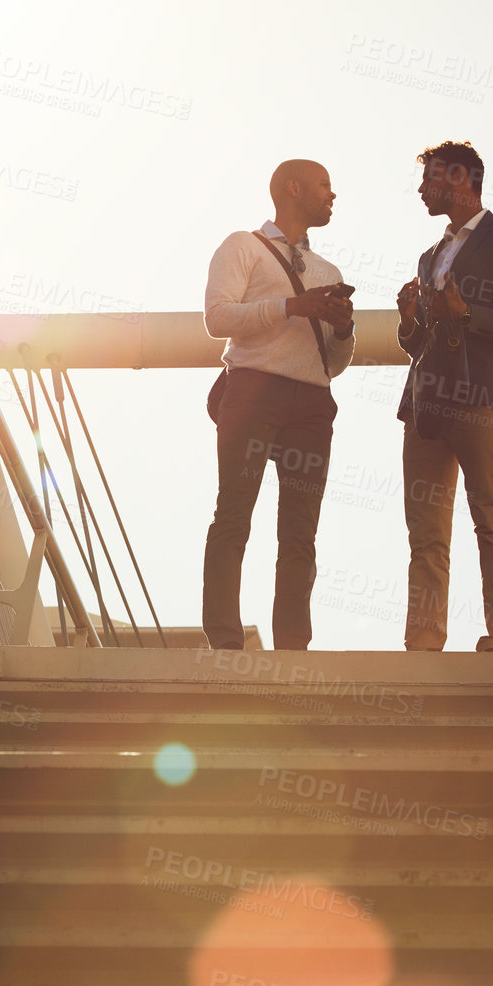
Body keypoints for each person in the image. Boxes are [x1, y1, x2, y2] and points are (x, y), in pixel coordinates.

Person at [202, 159, 355, 651]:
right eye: (324, 186)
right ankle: (224, 640)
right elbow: (217, 318)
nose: (333, 196)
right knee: (234, 515)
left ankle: (293, 646)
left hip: (312, 401)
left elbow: (334, 362)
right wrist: (294, 306)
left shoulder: (329, 270)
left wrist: (344, 327)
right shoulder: (242, 245)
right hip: (253, 392)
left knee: (300, 532)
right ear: (294, 188)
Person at [395, 140, 493, 651]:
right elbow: (418, 344)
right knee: (425, 534)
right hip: (427, 405)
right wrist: (410, 321)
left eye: (430, 178)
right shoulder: (428, 255)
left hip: (483, 400)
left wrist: (465, 313)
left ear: (461, 178)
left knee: (491, 521)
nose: (420, 189)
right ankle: (424, 639)